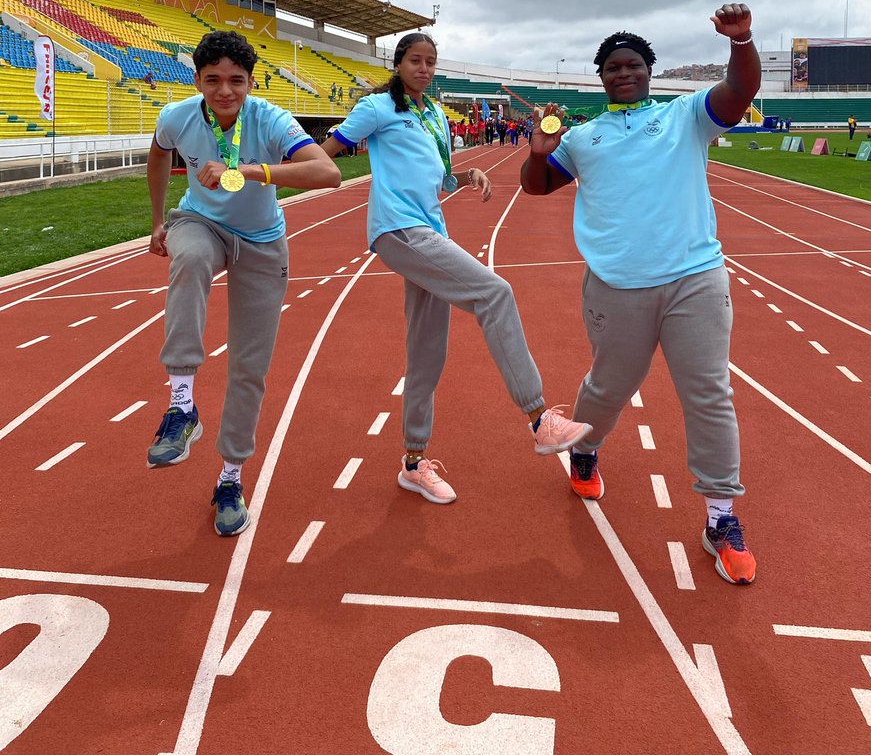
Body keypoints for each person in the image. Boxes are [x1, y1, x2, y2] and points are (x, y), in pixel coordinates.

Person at [521, 3, 761, 586]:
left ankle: (721, 517)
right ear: (600, 77)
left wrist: (742, 41)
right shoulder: (583, 137)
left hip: (694, 278)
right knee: (609, 385)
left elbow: (739, 88)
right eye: (611, 67)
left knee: (709, 392)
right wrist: (537, 149)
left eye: (632, 65)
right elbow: (537, 185)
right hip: (616, 284)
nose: (622, 73)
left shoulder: (686, 117)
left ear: (649, 70)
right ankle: (585, 448)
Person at [322, 32, 591, 505]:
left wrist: (467, 175)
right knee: (495, 292)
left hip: (430, 230)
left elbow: (440, 179)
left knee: (427, 352)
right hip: (399, 230)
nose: (424, 69)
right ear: (398, 63)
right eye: (415, 61)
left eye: (431, 62)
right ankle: (539, 418)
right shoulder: (379, 107)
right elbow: (328, 151)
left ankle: (413, 462)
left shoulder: (434, 117)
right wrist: (270, 175)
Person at [146, 30, 341, 535]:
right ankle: (182, 405)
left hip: (260, 240)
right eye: (213, 80)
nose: (224, 91)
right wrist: (155, 221)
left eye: (236, 80)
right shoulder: (178, 116)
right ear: (198, 80)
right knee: (186, 261)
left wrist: (252, 171)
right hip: (201, 223)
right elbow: (158, 152)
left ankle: (230, 477)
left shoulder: (270, 119)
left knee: (249, 367)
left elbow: (328, 174)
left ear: (252, 81)